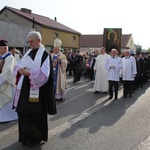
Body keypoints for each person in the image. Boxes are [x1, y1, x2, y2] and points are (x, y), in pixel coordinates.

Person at [13, 31, 57, 145]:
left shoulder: (45, 55)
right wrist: (19, 70)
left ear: (39, 41)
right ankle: (24, 137)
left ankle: (35, 138)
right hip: (24, 89)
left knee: (35, 114)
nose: (30, 44)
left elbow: (45, 74)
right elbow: (18, 64)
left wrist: (29, 73)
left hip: (37, 91)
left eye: (32, 41)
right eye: (29, 42)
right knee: (23, 113)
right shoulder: (28, 52)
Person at [0, 39, 18, 122]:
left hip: (8, 83)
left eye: (0, 48)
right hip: (2, 82)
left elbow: (9, 71)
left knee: (7, 99)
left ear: (5, 48)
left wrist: (1, 79)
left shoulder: (10, 58)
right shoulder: (1, 57)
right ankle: (2, 117)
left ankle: (9, 117)